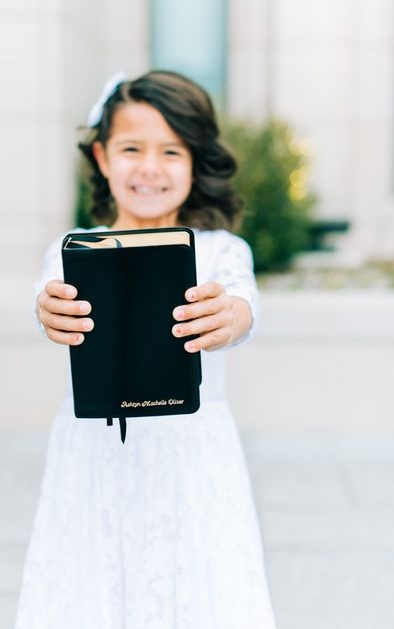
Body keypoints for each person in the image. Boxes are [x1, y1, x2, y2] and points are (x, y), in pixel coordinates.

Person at [15, 70, 277, 628]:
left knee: (196, 580)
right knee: (94, 575)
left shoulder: (221, 251)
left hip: (193, 453)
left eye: (171, 152)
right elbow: (49, 302)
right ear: (104, 158)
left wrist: (229, 315)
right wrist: (48, 310)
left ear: (195, 163)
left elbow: (243, 307)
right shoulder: (73, 252)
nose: (150, 168)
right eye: (132, 149)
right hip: (93, 450)